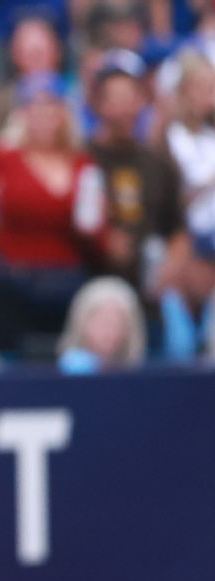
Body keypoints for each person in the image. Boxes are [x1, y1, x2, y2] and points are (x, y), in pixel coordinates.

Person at [0, 73, 103, 358]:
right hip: (14, 281)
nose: (44, 116)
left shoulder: (83, 164)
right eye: (35, 108)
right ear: (21, 115)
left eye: (52, 108)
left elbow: (95, 230)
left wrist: (99, 229)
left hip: (69, 280)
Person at [87, 49, 184, 289]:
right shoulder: (82, 159)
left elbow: (178, 230)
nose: (126, 109)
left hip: (148, 284)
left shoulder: (159, 163)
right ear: (98, 103)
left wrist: (169, 270)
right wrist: (103, 239)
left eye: (132, 98)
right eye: (116, 99)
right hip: (90, 280)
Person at [160, 51, 215, 360]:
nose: (207, 96)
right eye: (199, 86)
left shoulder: (211, 137)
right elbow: (171, 202)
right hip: (179, 249)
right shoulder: (166, 138)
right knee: (179, 344)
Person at [57, 276, 147, 374]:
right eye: (102, 323)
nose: (108, 332)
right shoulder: (70, 369)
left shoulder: (138, 373)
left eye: (116, 324)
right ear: (82, 324)